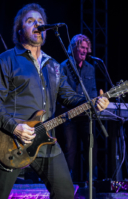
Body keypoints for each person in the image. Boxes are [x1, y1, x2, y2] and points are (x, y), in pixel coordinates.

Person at [0, 4, 109, 199]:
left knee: (65, 194)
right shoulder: (5, 60)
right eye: (30, 21)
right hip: (12, 141)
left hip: (46, 140)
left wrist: (93, 102)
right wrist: (15, 127)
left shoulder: (54, 66)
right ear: (19, 29)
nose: (37, 24)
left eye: (41, 22)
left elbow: (69, 97)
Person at [56, 34, 98, 181]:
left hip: (86, 115)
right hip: (68, 116)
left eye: (87, 48)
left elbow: (92, 90)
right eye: (82, 47)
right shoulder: (63, 66)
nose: (85, 51)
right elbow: (62, 94)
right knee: (70, 149)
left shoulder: (90, 68)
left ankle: (91, 181)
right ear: (74, 48)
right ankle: (67, 181)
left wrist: (95, 102)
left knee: (91, 146)